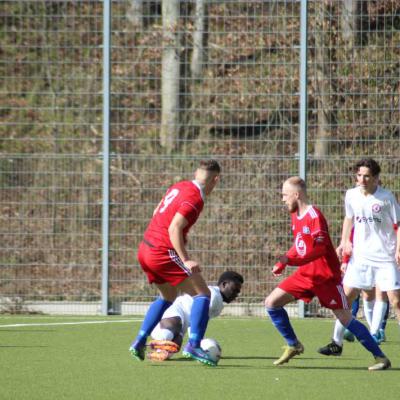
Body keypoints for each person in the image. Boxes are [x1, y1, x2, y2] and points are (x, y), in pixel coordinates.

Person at [265, 176, 391, 370]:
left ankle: (380, 358)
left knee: (344, 317)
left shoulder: (314, 216)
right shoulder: (295, 214)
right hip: (306, 275)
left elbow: (321, 249)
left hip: (326, 278)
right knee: (271, 303)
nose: (282, 199)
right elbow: (299, 245)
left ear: (296, 194)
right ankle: (293, 344)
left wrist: (292, 260)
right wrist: (284, 261)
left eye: (284, 195)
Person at [129, 159, 221, 367]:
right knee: (202, 294)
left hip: (145, 248)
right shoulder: (196, 198)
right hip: (162, 251)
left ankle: (140, 341)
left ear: (197, 173)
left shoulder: (179, 186)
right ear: (216, 179)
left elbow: (156, 213)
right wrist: (185, 259)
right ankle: (194, 345)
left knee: (168, 296)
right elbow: (174, 228)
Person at [318, 158, 400, 358]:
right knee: (344, 298)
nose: (362, 180)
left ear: (376, 179)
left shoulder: (386, 198)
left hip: (385, 258)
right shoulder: (351, 195)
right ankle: (336, 344)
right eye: (359, 176)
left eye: (367, 176)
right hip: (360, 258)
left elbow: (398, 226)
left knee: (396, 302)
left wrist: (398, 250)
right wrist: (345, 241)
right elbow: (349, 218)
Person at [147, 270, 244, 361]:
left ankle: (158, 350)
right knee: (171, 328)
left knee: (172, 350)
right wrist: (196, 345)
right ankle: (154, 341)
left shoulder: (218, 303)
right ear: (224, 284)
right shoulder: (213, 294)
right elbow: (199, 320)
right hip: (176, 310)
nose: (236, 294)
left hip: (185, 324)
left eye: (238, 292)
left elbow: (198, 321)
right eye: (234, 289)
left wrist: (195, 341)